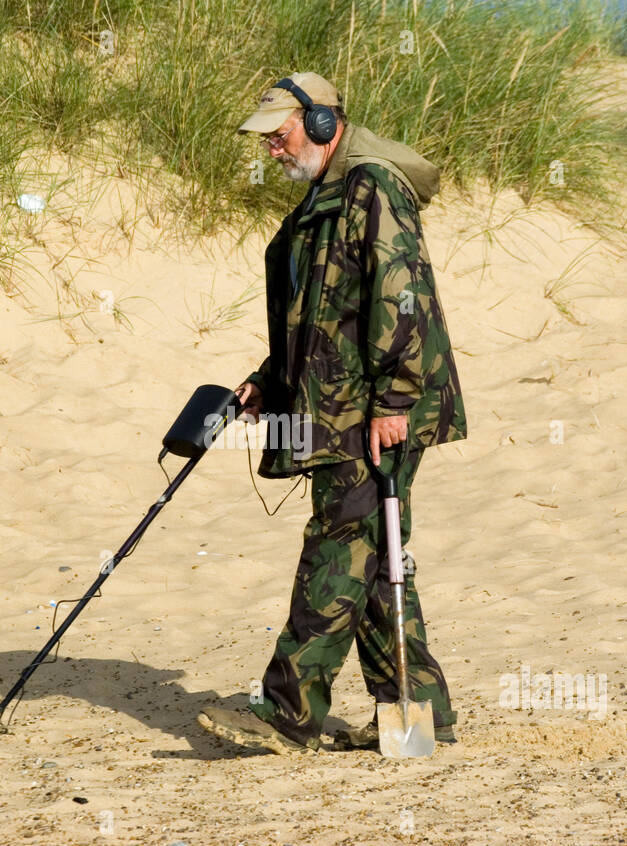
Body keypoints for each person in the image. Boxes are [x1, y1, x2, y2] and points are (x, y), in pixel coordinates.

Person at [197, 73, 467, 754]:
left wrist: (397, 399)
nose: (273, 152)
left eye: (280, 136)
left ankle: (287, 712)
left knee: (338, 544)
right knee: (372, 552)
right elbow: (321, 315)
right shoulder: (327, 196)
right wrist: (272, 382)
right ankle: (420, 715)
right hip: (343, 401)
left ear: (322, 123)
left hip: (376, 405)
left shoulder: (371, 187)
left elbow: (401, 294)